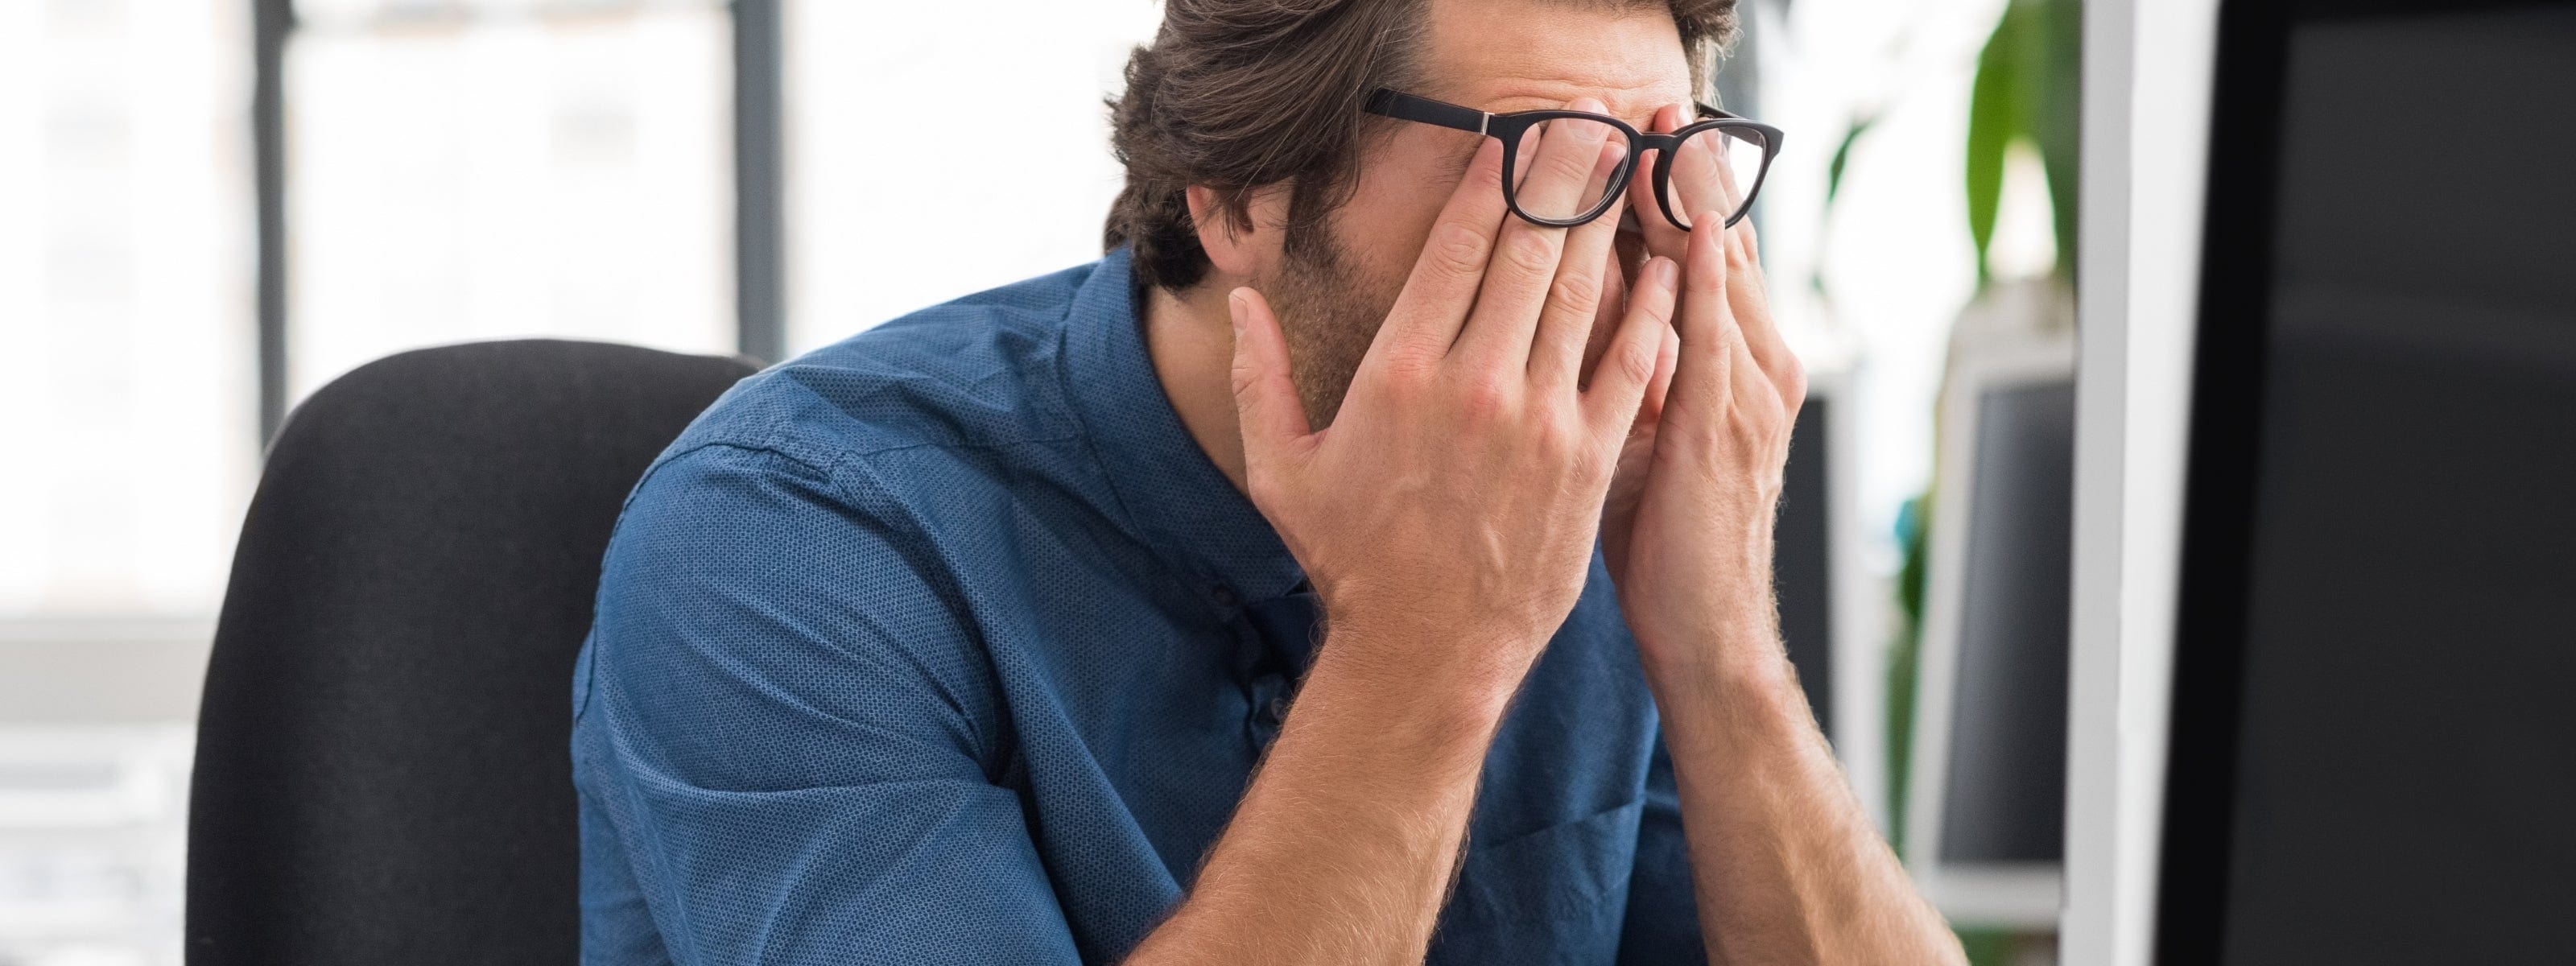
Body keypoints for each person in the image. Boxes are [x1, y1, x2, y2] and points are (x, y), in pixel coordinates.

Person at [571, 0, 1962, 962]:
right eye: (1545, 174)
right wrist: (1427, 645)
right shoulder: (785, 540)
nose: (1627, 269)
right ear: (1236, 199)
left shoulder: (1612, 515)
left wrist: (1717, 646)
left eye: (1665, 167)